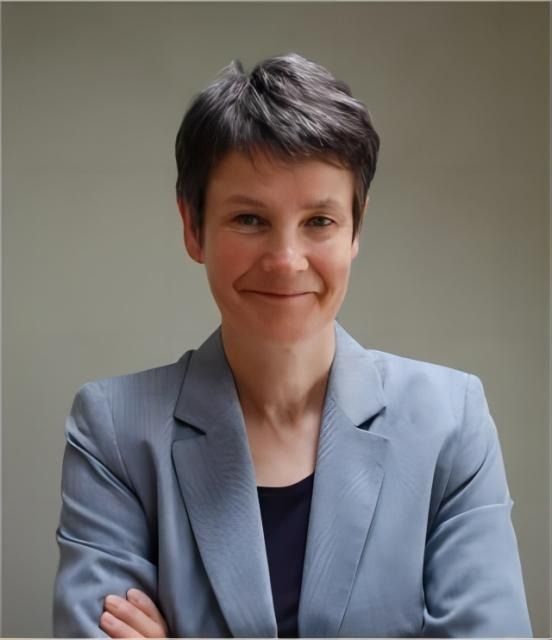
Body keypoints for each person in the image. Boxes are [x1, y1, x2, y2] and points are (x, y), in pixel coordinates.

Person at [53, 53, 533, 638]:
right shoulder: (114, 430)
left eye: (319, 222)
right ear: (192, 226)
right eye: (249, 219)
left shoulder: (450, 422)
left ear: (356, 228)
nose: (285, 261)